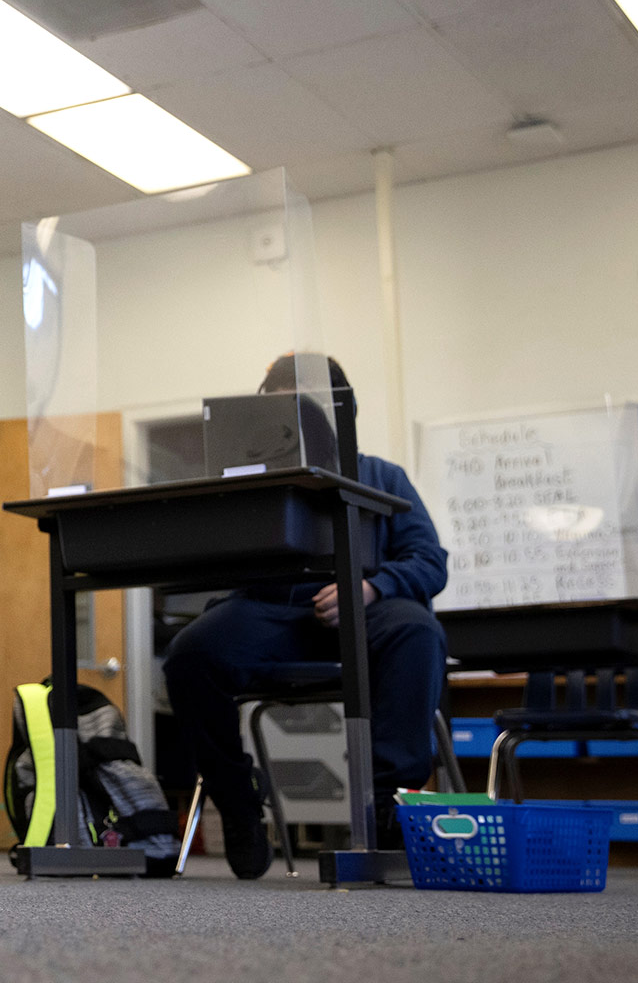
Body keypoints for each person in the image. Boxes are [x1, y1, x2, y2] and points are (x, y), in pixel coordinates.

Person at [160, 353, 448, 880]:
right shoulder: (254, 483)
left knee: (416, 630)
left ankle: (387, 806)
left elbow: (430, 561)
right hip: (272, 615)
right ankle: (239, 805)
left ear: (339, 413)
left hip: (366, 613)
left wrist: (370, 587)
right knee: (191, 653)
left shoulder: (382, 476)